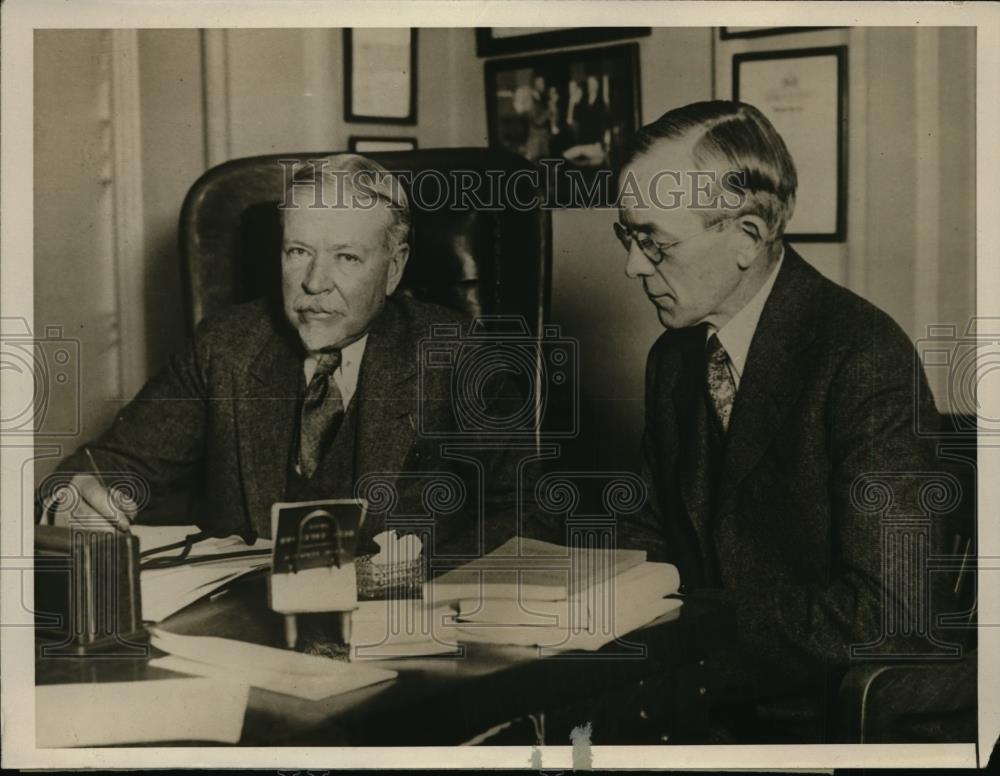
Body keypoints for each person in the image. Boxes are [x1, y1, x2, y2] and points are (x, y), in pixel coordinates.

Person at [614, 101, 949, 741]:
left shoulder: (863, 357)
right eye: (625, 236)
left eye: (653, 240)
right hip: (690, 697)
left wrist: (696, 643)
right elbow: (648, 537)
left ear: (745, 237)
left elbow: (891, 612)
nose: (633, 265)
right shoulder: (674, 359)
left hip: (816, 720)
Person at [40, 154, 530, 557]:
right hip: (239, 636)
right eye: (298, 252)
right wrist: (76, 498)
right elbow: (103, 466)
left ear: (395, 268)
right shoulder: (225, 346)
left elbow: (530, 509)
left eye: (347, 257)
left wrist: (427, 582)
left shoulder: (456, 355)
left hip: (400, 632)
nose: (314, 283)